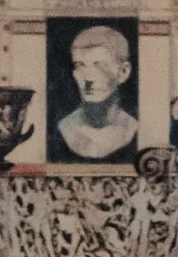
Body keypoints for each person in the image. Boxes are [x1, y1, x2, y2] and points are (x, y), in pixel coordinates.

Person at [54, 23, 139, 164]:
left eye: (99, 66)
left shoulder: (133, 128)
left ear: (123, 72)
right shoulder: (65, 127)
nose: (88, 79)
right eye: (80, 65)